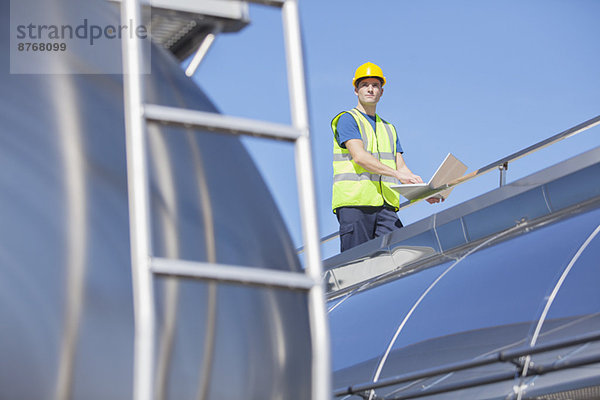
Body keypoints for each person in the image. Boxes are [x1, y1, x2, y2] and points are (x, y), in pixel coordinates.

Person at [331, 62, 441, 252]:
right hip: (355, 205)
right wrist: (398, 175)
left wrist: (424, 192)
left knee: (399, 256)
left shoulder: (389, 128)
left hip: (385, 208)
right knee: (357, 265)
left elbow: (402, 168)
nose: (370, 89)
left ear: (382, 92)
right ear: (356, 90)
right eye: (365, 85)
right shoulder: (347, 119)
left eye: (375, 85)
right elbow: (359, 157)